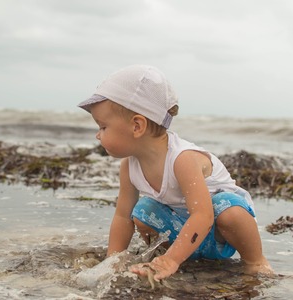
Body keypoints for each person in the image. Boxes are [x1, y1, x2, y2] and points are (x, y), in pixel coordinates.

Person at [77, 65, 273, 282]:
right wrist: (112, 261)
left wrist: (172, 259)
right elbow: (123, 217)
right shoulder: (129, 166)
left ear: (137, 126)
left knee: (229, 209)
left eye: (103, 127)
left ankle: (256, 261)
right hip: (184, 233)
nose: (98, 135)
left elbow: (203, 215)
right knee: (143, 211)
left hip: (220, 231)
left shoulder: (182, 159)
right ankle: (174, 259)